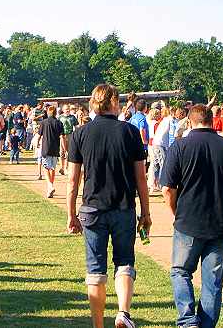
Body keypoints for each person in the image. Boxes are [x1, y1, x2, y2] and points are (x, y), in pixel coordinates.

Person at [67, 84, 150, 328]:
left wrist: (71, 214)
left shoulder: (80, 133)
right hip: (123, 207)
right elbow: (141, 178)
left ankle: (98, 324)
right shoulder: (131, 132)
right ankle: (123, 312)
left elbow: (73, 180)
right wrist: (146, 212)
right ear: (114, 103)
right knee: (125, 262)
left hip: (92, 209)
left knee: (95, 268)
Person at [160, 104, 223, 328]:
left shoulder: (180, 146)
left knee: (181, 271)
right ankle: (206, 325)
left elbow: (167, 188)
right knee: (213, 282)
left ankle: (188, 319)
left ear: (190, 122)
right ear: (212, 120)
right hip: (221, 223)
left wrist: (175, 213)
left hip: (188, 220)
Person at [39, 106, 65, 198]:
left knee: (46, 168)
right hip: (55, 148)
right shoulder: (59, 123)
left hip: (46, 148)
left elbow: (39, 135)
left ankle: (50, 186)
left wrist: (37, 144)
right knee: (53, 168)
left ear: (48, 112)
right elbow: (62, 137)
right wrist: (64, 148)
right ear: (55, 113)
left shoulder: (43, 122)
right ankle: (50, 187)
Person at [58, 104, 79, 176]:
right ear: (63, 110)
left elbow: (76, 127)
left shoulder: (72, 117)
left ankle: (66, 168)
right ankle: (62, 168)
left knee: (68, 152)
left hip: (70, 135)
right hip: (62, 135)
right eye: (66, 109)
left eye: (68, 109)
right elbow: (57, 127)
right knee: (61, 152)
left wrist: (76, 135)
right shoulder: (60, 117)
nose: (67, 110)